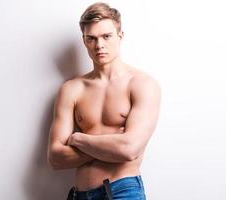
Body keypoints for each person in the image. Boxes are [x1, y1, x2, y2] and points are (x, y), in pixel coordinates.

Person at [47, 2, 161, 200]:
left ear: (120, 36)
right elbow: (56, 158)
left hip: (123, 191)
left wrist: (79, 139)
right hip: (79, 195)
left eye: (106, 36)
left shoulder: (142, 84)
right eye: (91, 38)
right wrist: (112, 145)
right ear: (84, 40)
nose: (99, 45)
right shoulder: (71, 89)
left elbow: (129, 149)